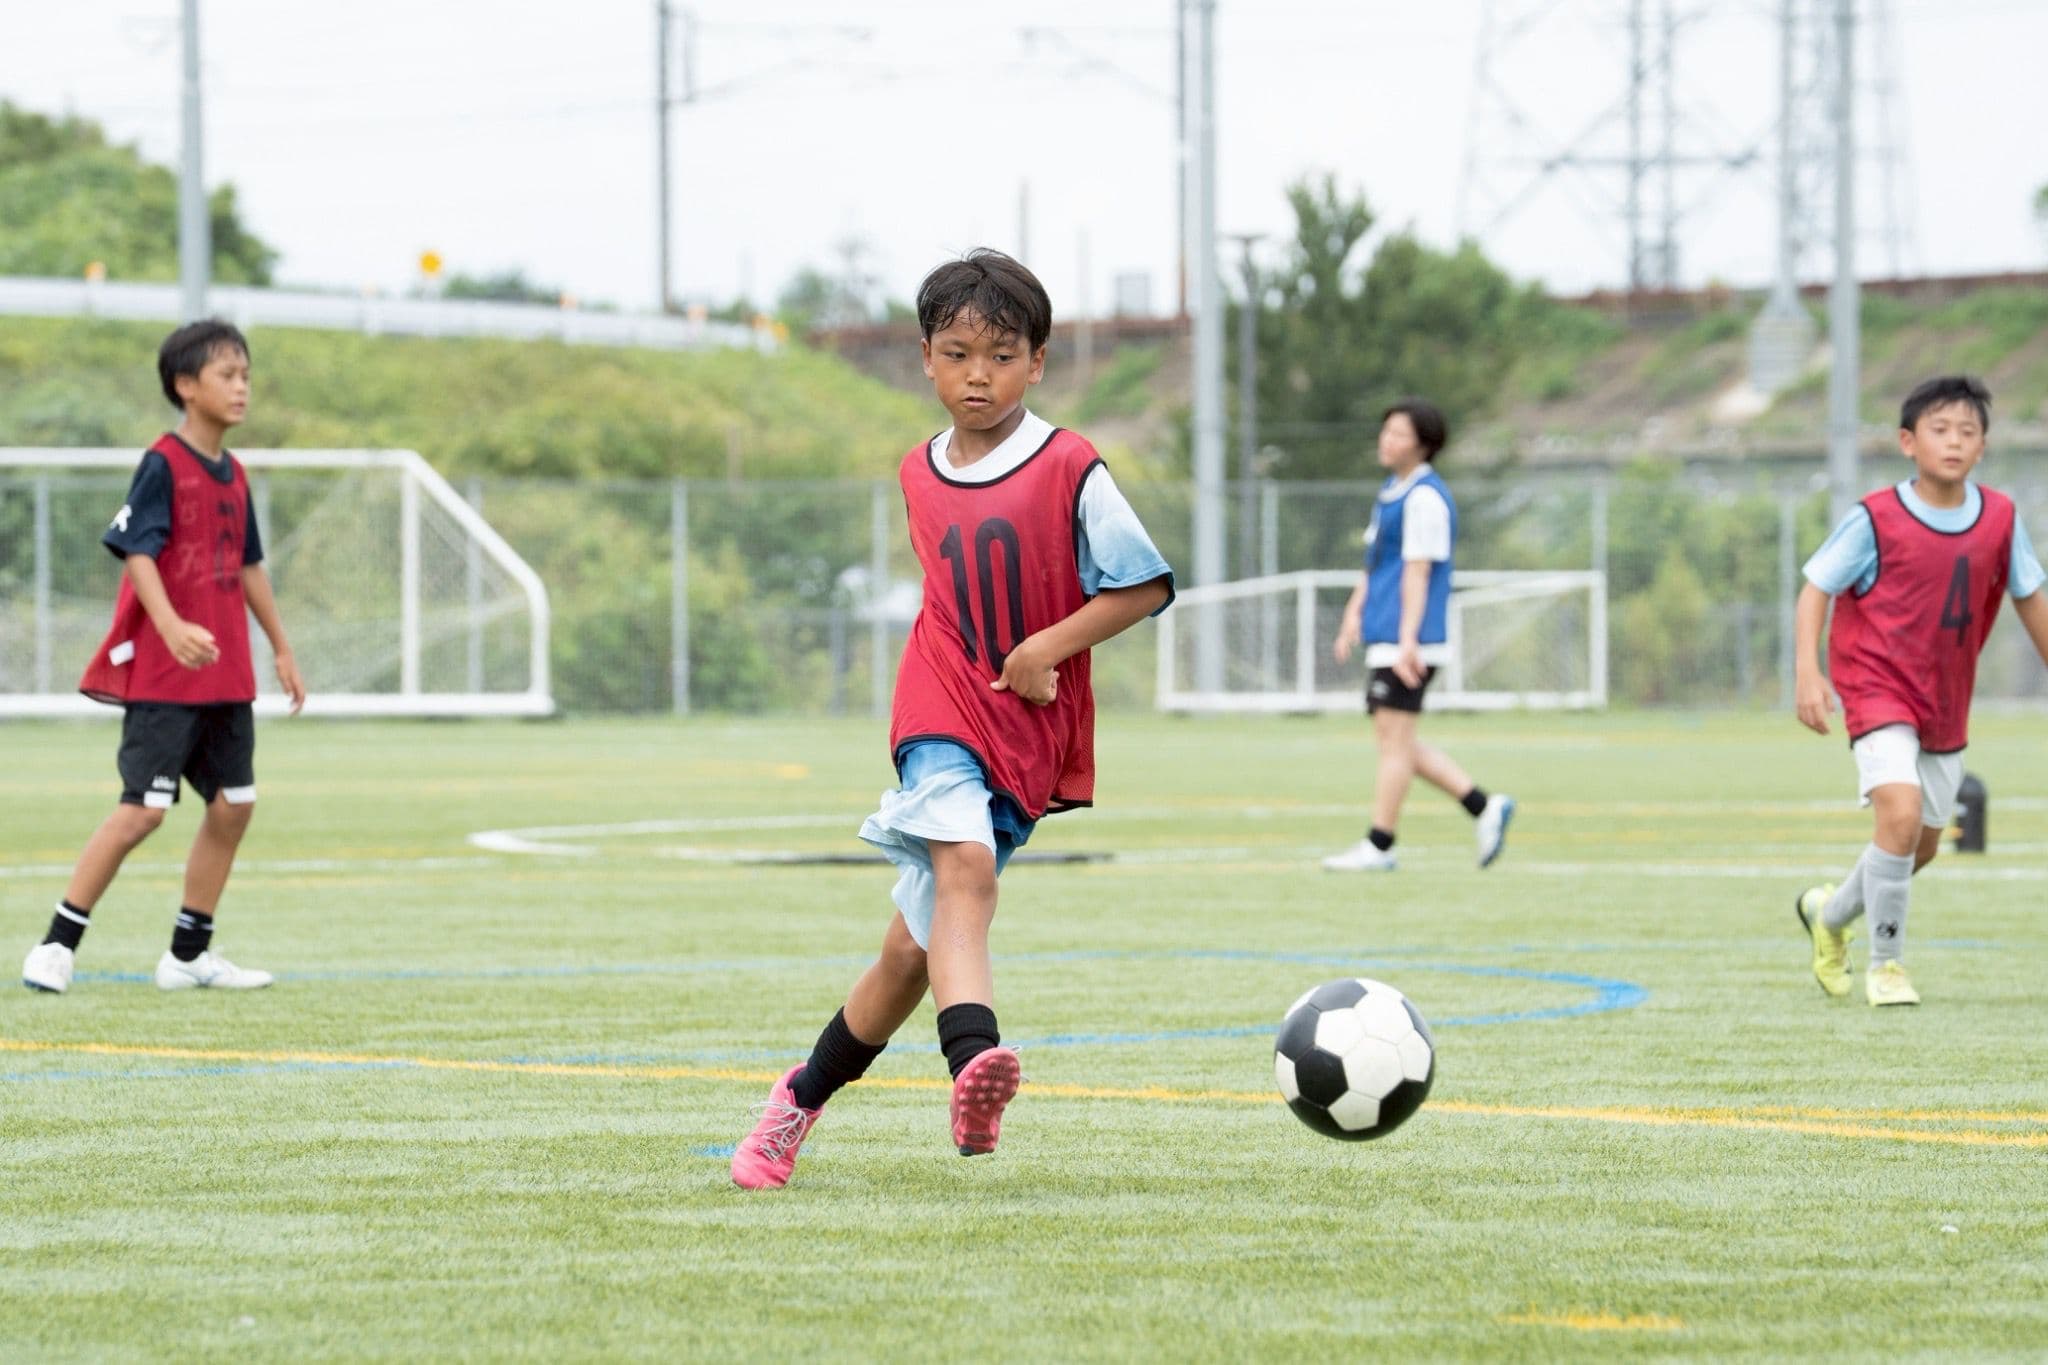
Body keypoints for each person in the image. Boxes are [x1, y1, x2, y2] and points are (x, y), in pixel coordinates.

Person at [729, 250, 1173, 1189]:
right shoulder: (914, 471)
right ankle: (975, 1057)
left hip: (1023, 727)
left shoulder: (1071, 465)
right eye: (959, 353)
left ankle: (794, 1104)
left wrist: (1046, 648)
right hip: (937, 703)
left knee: (908, 949)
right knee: (965, 869)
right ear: (925, 360)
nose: (980, 375)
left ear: (1039, 362)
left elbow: (1143, 584)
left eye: (1003, 356)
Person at [21, 319, 305, 996]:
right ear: (186, 386)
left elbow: (251, 566)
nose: (241, 388)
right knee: (143, 811)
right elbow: (136, 550)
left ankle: (188, 953)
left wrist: (283, 648)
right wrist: (172, 623)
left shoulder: (234, 473)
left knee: (235, 804)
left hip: (227, 675)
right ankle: (56, 945)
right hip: (166, 677)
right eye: (226, 375)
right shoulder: (162, 463)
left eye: (246, 375)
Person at [1793, 374, 2048, 1006]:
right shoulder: (1874, 518)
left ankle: (1829, 916)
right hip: (1876, 686)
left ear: (1983, 446)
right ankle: (1887, 965)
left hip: (1945, 698)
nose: (1954, 442)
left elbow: (2031, 598)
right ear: (1908, 442)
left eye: (1968, 431)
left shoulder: (2000, 519)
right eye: (1940, 430)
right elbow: (1816, 588)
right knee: (1899, 815)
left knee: (1920, 844)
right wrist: (1806, 669)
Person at [1321, 400, 1514, 873]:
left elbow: (1418, 573)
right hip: (1387, 633)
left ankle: (1380, 845)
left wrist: (1408, 640)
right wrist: (1353, 616)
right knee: (1397, 744)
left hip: (1411, 639)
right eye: (1385, 431)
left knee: (1394, 745)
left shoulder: (1425, 498)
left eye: (1399, 434)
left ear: (1424, 443)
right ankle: (1483, 806)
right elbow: (1376, 567)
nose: (1387, 441)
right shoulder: (1392, 491)